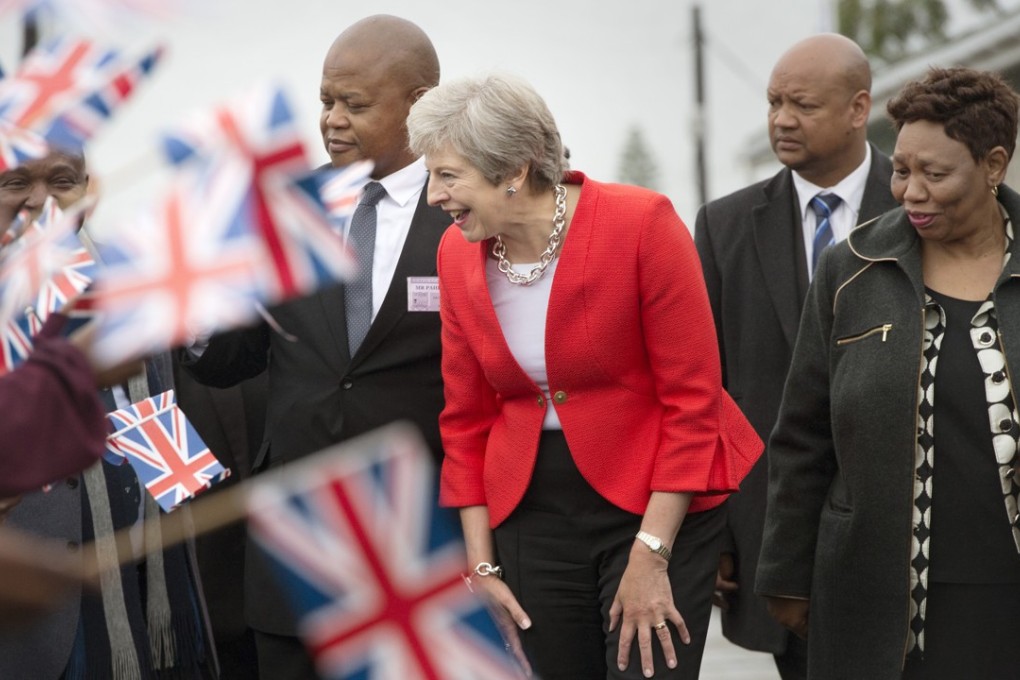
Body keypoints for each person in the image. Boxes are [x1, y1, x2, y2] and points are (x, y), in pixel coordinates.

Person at [406, 73, 762, 680]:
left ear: (513, 170)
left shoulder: (642, 224)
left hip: (656, 500)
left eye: (447, 174)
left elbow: (694, 402)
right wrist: (481, 570)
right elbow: (464, 421)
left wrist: (651, 556)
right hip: (532, 512)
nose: (433, 194)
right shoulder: (453, 253)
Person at [177, 15, 450, 679]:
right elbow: (225, 361)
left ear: (418, 103)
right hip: (295, 542)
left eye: (354, 105)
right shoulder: (282, 209)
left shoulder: (463, 209)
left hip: (420, 536)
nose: (331, 120)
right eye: (325, 100)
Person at [756, 66, 1020, 679]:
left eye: (936, 174)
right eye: (902, 170)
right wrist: (786, 574)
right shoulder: (852, 268)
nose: (911, 192)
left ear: (994, 164)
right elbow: (802, 434)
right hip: (877, 594)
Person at [692, 33, 897, 679]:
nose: (781, 119)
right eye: (774, 101)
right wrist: (715, 531)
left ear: (859, 108)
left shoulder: (924, 205)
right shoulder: (726, 226)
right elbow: (704, 388)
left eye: (802, 104)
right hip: (778, 535)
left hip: (905, 525)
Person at [0, 149, 216, 680]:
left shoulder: (130, 274)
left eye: (62, 181)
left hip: (142, 563)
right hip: (40, 585)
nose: (42, 200)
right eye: (17, 182)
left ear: (89, 189)